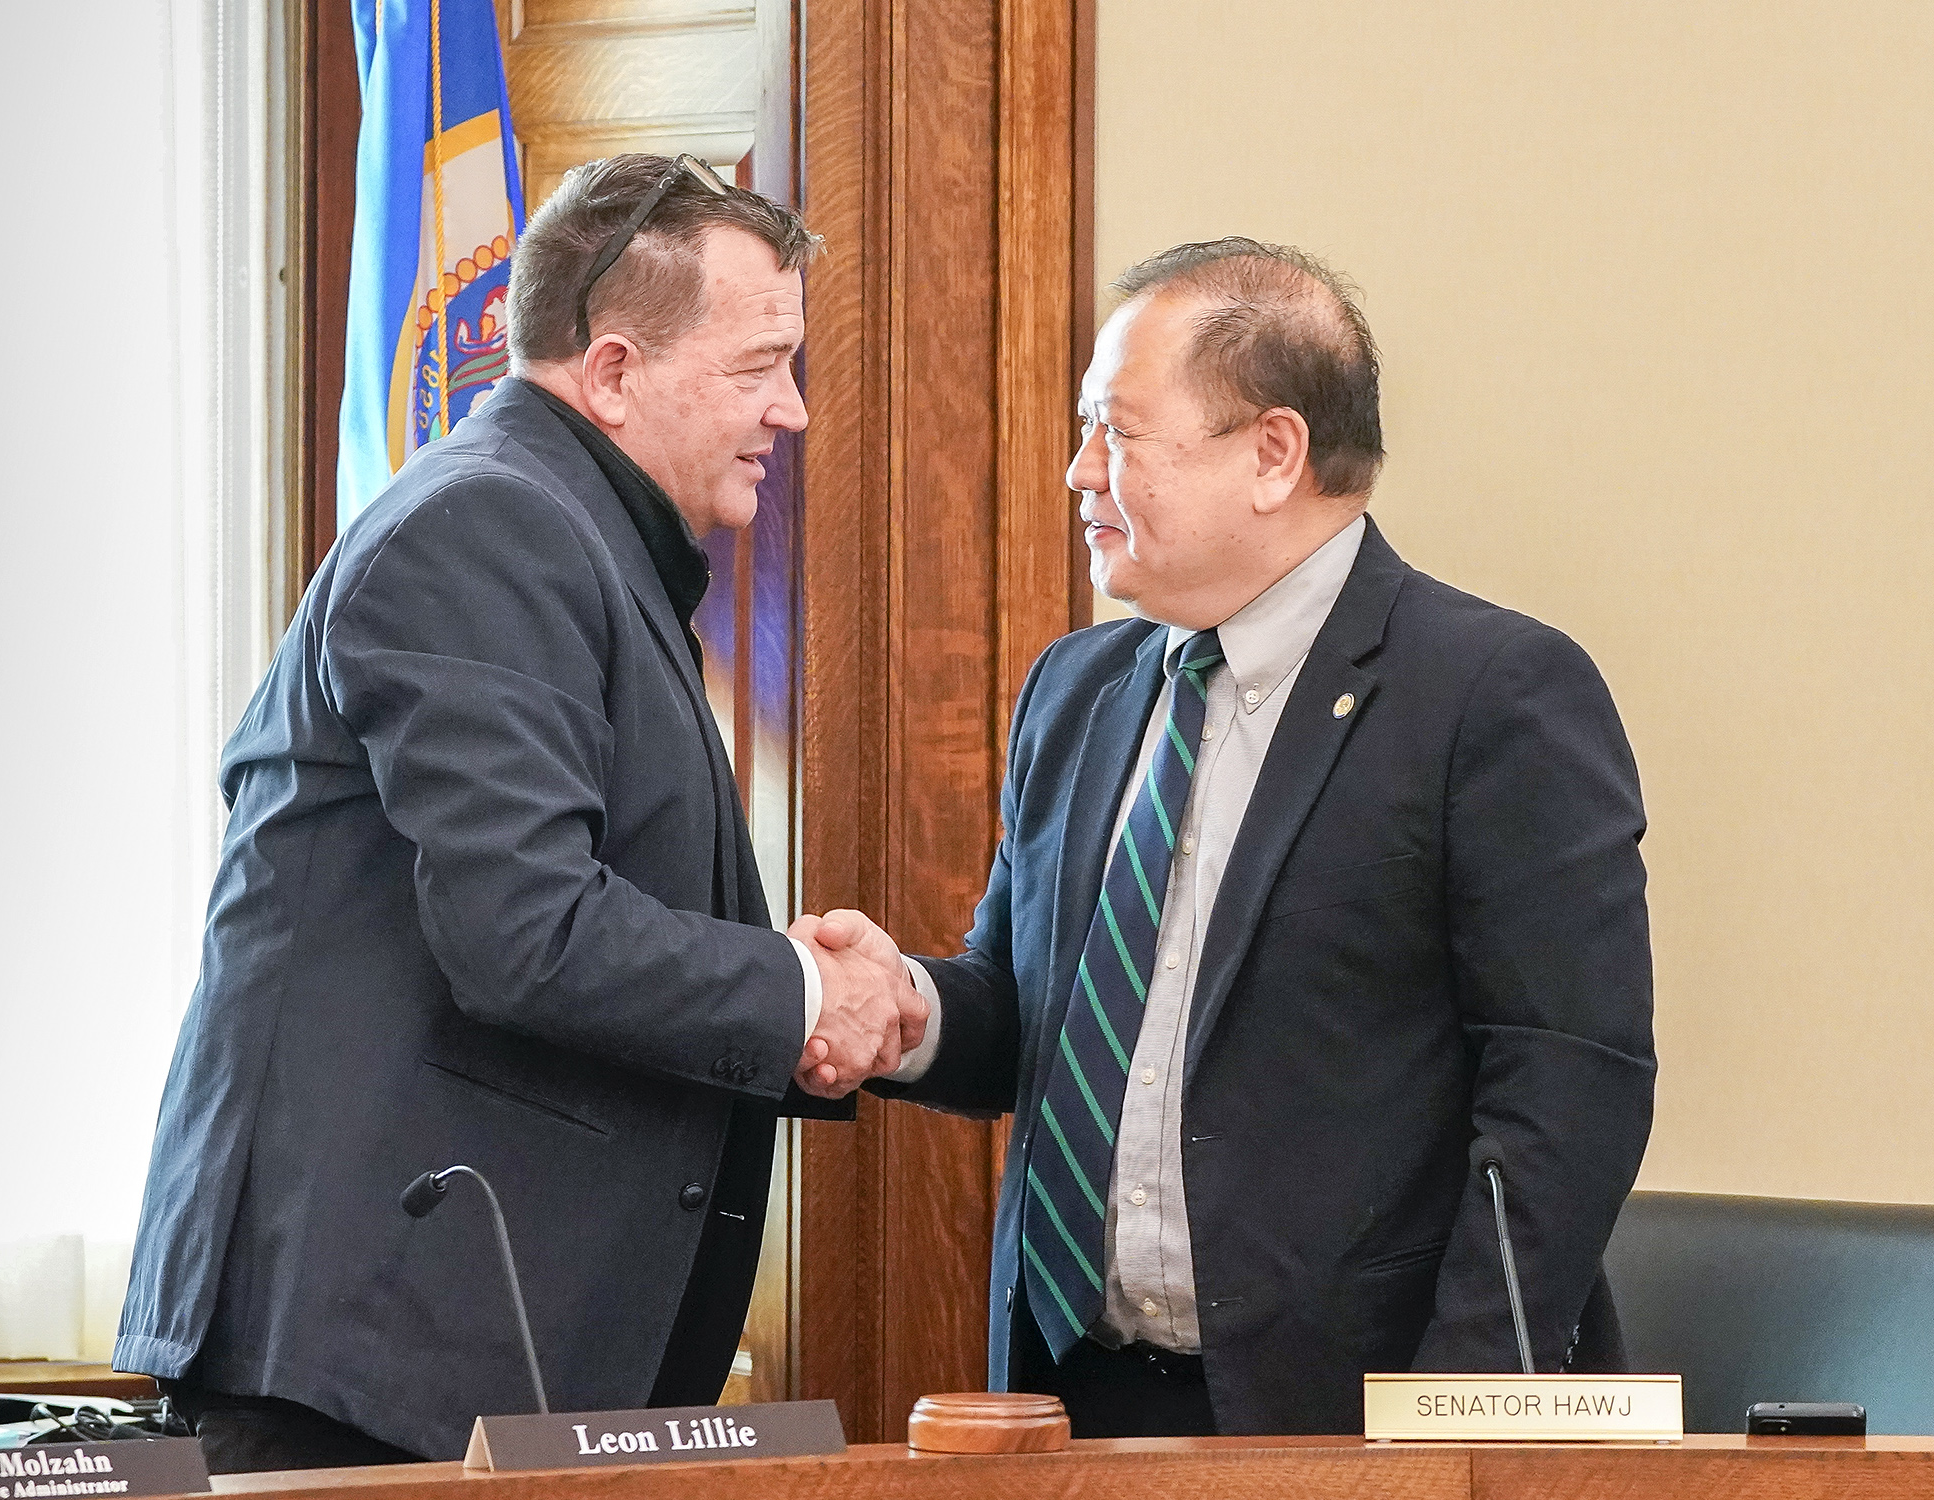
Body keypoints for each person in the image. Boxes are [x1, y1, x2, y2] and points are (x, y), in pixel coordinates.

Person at [116, 154, 922, 1472]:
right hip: (362, 1370)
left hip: (441, 1369)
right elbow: (525, 930)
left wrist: (819, 1000)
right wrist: (798, 991)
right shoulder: (490, 525)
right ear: (611, 373)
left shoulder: (572, 533)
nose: (793, 412)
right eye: (758, 366)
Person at [800, 238, 1655, 1436]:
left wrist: (1452, 1423)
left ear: (1272, 454)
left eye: (1118, 432)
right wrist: (909, 1011)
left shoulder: (1493, 694)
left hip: (1354, 1418)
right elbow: (1040, 1019)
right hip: (1071, 1398)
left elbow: (1569, 1088)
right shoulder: (1077, 690)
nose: (1077, 470)